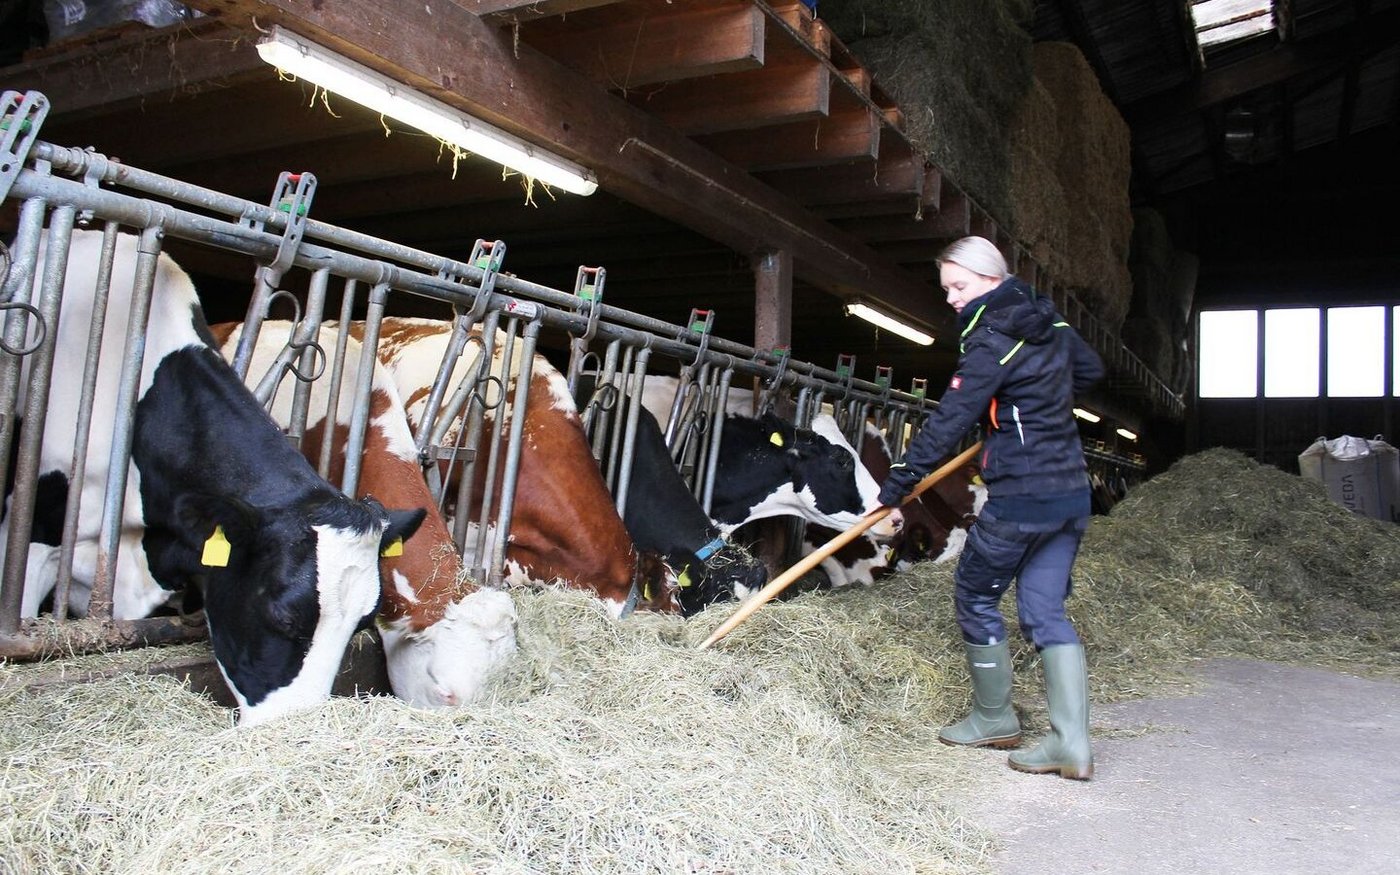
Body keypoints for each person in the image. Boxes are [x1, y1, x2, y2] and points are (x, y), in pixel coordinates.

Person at [878, 236, 1104, 781]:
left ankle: (993, 717)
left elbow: (953, 417)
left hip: (1024, 494)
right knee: (1045, 611)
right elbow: (1090, 371)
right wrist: (1038, 393)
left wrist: (900, 484)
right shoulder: (1047, 323)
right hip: (1071, 496)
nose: (952, 298)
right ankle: (1070, 743)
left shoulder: (993, 337)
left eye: (959, 286)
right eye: (947, 289)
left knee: (976, 592)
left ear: (991, 280)